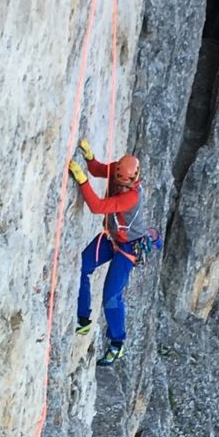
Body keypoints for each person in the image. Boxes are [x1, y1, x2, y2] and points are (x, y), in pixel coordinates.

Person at [67, 139, 148, 366]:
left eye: (124, 184)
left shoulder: (131, 196)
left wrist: (82, 181)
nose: (120, 187)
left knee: (111, 296)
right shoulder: (119, 171)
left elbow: (98, 207)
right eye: (119, 183)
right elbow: (99, 169)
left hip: (128, 249)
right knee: (83, 265)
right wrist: (89, 157)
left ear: (132, 180)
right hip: (113, 239)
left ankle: (117, 343)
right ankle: (83, 318)